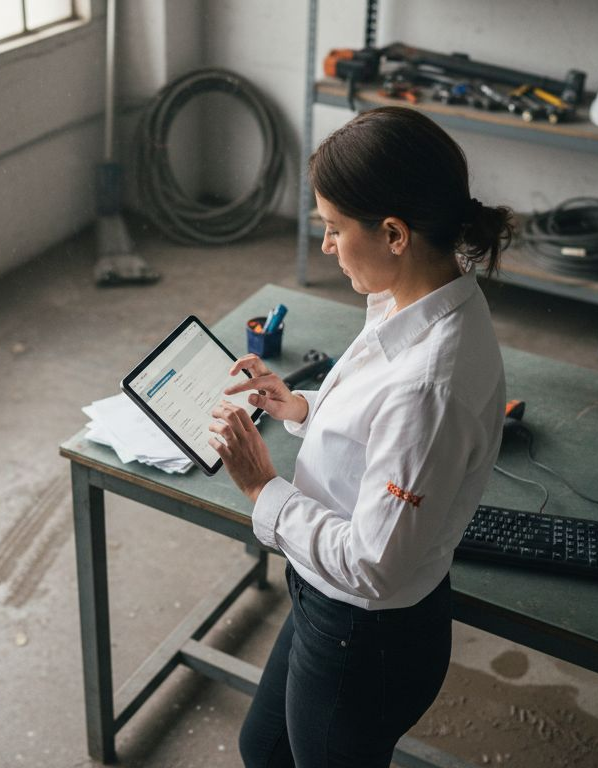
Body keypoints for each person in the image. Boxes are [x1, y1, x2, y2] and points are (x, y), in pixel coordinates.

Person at [208, 105, 514, 767]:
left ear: (395, 233)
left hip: (364, 634)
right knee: (264, 747)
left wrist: (264, 488)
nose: (325, 246)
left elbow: (375, 565)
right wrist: (299, 408)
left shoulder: (430, 381)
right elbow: (374, 431)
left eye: (333, 229)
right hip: (326, 600)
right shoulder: (418, 302)